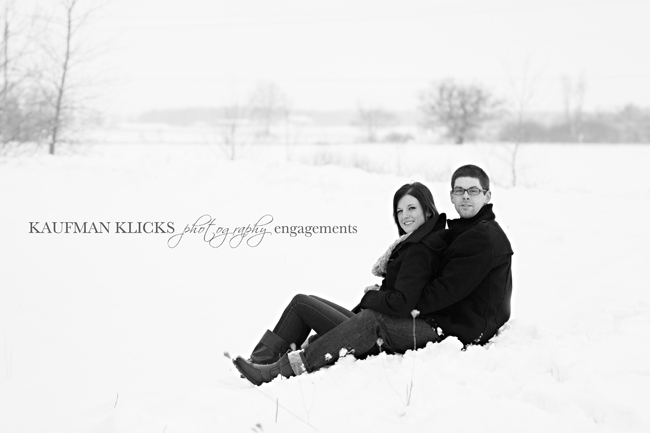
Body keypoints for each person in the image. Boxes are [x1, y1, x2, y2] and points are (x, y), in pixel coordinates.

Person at [233, 182, 448, 385]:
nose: (404, 216)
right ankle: (260, 362)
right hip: (375, 326)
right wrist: (382, 291)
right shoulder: (416, 243)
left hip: (379, 333)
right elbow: (412, 290)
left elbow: (403, 301)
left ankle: (269, 367)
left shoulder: (420, 249)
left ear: (428, 211)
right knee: (303, 301)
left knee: (301, 304)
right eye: (399, 211)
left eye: (411, 208)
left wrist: (373, 296)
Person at [416, 164, 513, 347]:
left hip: (461, 330)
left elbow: (443, 291)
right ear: (452, 196)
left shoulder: (481, 237)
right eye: (459, 190)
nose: (465, 196)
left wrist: (399, 302)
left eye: (473, 191)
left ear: (487, 196)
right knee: (368, 316)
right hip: (453, 321)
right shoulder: (466, 232)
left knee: (374, 322)